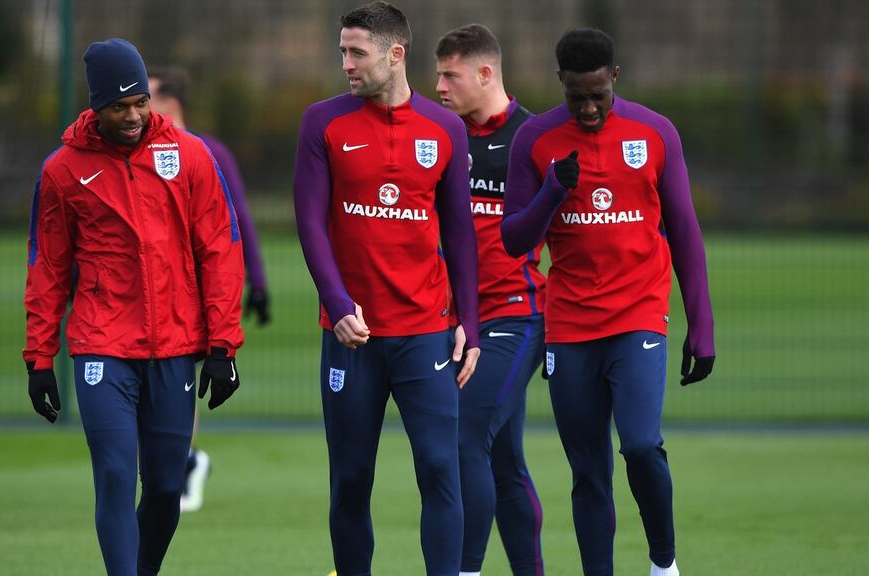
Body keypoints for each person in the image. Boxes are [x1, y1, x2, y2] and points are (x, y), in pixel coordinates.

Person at [23, 38, 244, 576]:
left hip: (175, 347)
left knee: (167, 487)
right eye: (119, 106)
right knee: (116, 476)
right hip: (102, 347)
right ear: (96, 107)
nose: (133, 115)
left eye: (140, 102)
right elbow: (48, 268)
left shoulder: (191, 156)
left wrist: (223, 345)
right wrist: (39, 357)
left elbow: (219, 249)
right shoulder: (61, 171)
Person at [501, 28, 716, 576]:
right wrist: (552, 190)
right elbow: (514, 240)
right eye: (577, 96)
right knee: (589, 470)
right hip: (570, 324)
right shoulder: (535, 141)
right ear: (561, 85)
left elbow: (686, 231)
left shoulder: (655, 132)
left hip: (639, 314)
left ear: (614, 78)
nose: (590, 107)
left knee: (641, 445)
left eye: (599, 94)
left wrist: (702, 327)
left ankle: (663, 564)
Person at [293, 2, 481, 574]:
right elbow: (308, 221)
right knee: (351, 478)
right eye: (342, 52)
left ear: (395, 55)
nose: (346, 64)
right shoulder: (322, 122)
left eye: (357, 53)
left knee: (440, 472)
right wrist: (336, 304)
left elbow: (460, 232)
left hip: (425, 334)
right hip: (353, 336)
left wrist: (468, 322)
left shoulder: (446, 127)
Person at [435, 23, 546, 576]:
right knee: (504, 461)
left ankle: (465, 569)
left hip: (514, 317)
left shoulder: (533, 138)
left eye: (449, 75)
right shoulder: (440, 136)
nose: (438, 86)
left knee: (463, 437)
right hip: (451, 323)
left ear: (485, 74)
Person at [148, 65, 271, 513]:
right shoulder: (132, 151)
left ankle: (180, 464)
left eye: (146, 96)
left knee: (179, 378)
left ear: (170, 103)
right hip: (148, 292)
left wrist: (257, 284)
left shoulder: (208, 152)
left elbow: (239, 223)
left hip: (198, 292)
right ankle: (185, 460)